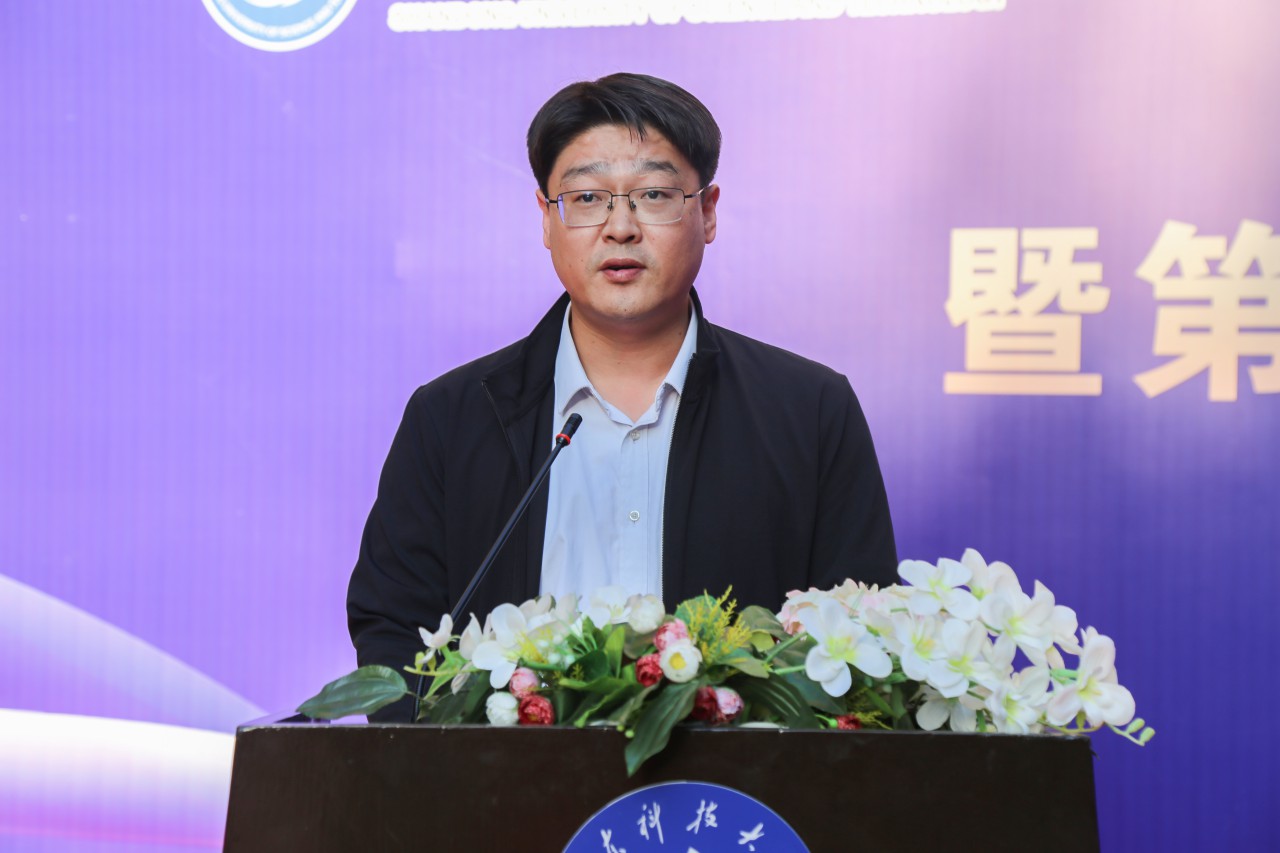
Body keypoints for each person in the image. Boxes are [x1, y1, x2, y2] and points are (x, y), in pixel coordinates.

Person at [347, 74, 896, 716]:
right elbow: (396, 633)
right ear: (546, 218)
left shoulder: (811, 412)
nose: (620, 227)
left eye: (654, 194)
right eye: (586, 198)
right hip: (504, 778)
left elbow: (860, 637)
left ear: (708, 212)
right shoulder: (451, 419)